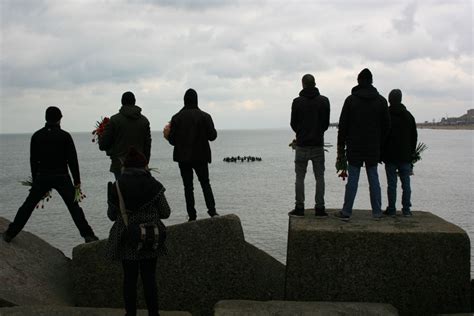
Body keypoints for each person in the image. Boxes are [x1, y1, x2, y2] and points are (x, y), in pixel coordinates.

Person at [2, 106, 98, 243]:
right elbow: (72, 161)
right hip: (62, 176)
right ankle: (88, 235)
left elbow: (33, 161)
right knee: (74, 208)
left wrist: (35, 180)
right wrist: (77, 181)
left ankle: (10, 234)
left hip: (42, 176)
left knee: (27, 206)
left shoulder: (37, 136)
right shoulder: (65, 136)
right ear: (60, 119)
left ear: (46, 118)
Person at [106, 147, 171, 316]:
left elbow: (112, 216)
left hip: (127, 237)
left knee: (129, 279)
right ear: (144, 165)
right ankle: (153, 313)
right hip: (151, 237)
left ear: (125, 166)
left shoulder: (117, 186)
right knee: (149, 279)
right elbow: (165, 212)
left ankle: (131, 314)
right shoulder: (154, 185)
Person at [335, 68, 390, 220]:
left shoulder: (351, 100)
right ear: (371, 81)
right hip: (373, 146)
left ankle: (346, 212)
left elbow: (343, 126)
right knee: (374, 178)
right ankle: (377, 212)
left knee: (353, 179)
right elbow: (387, 127)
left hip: (354, 146)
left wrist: (341, 148)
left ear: (358, 81)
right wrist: (380, 143)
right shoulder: (381, 101)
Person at [165, 88, 218, 221]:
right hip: (201, 156)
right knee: (205, 183)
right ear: (196, 100)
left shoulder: (176, 118)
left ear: (184, 101)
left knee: (188, 187)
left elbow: (172, 141)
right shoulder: (205, 116)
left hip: (183, 158)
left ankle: (192, 215)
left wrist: (167, 133)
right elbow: (212, 136)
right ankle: (212, 211)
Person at [289, 74, 330, 217]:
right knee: (320, 177)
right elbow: (325, 124)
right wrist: (318, 132)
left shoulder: (297, 102)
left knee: (300, 177)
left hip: (302, 144)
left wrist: (300, 133)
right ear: (315, 83)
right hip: (318, 144)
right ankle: (320, 208)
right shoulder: (324, 101)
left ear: (303, 84)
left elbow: (293, 123)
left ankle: (299, 207)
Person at [99, 91, 152, 179]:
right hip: (140, 166)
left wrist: (102, 136)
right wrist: (145, 163)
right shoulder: (144, 121)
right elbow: (147, 145)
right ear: (134, 102)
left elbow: (103, 145)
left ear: (122, 102)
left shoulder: (114, 120)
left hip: (120, 165)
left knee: (122, 191)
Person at [382, 89, 417, 217]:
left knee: (392, 185)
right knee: (406, 184)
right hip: (405, 156)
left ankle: (391, 209)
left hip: (390, 156)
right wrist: (411, 153)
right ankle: (406, 210)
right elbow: (414, 137)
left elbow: (383, 136)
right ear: (401, 99)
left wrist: (382, 153)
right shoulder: (409, 116)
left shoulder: (386, 115)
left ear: (390, 100)